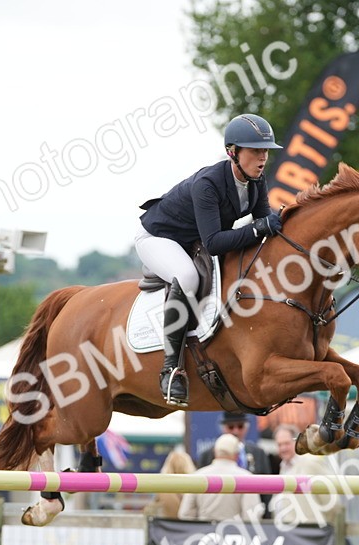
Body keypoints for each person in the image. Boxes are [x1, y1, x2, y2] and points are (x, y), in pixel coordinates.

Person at [136, 113, 284, 406]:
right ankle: (171, 370)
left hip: (193, 240)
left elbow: (266, 222)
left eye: (265, 151)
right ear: (233, 152)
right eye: (256, 151)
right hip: (159, 238)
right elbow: (215, 243)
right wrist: (258, 228)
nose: (263, 158)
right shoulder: (208, 184)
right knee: (187, 277)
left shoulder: (256, 181)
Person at [179, 434, 263, 523]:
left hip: (203, 534)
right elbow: (252, 517)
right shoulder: (247, 478)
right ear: (237, 455)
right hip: (236, 534)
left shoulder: (197, 476)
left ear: (214, 452)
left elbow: (185, 514)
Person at [145, 448, 197, 519]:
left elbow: (148, 512)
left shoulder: (161, 489)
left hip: (167, 527)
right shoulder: (196, 486)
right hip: (191, 527)